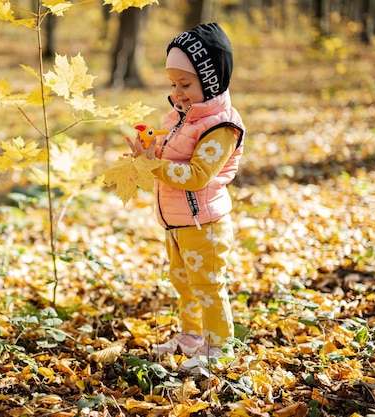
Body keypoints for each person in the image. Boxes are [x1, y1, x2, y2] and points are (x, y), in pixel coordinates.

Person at [126, 23, 245, 369]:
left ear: (209, 81)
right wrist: (145, 151)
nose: (177, 92)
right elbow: (165, 152)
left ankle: (219, 348)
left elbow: (196, 175)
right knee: (184, 283)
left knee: (207, 285)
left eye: (185, 84)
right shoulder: (180, 115)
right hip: (176, 221)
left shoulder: (220, 127)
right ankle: (191, 337)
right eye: (173, 84)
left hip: (204, 223)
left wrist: (155, 166)